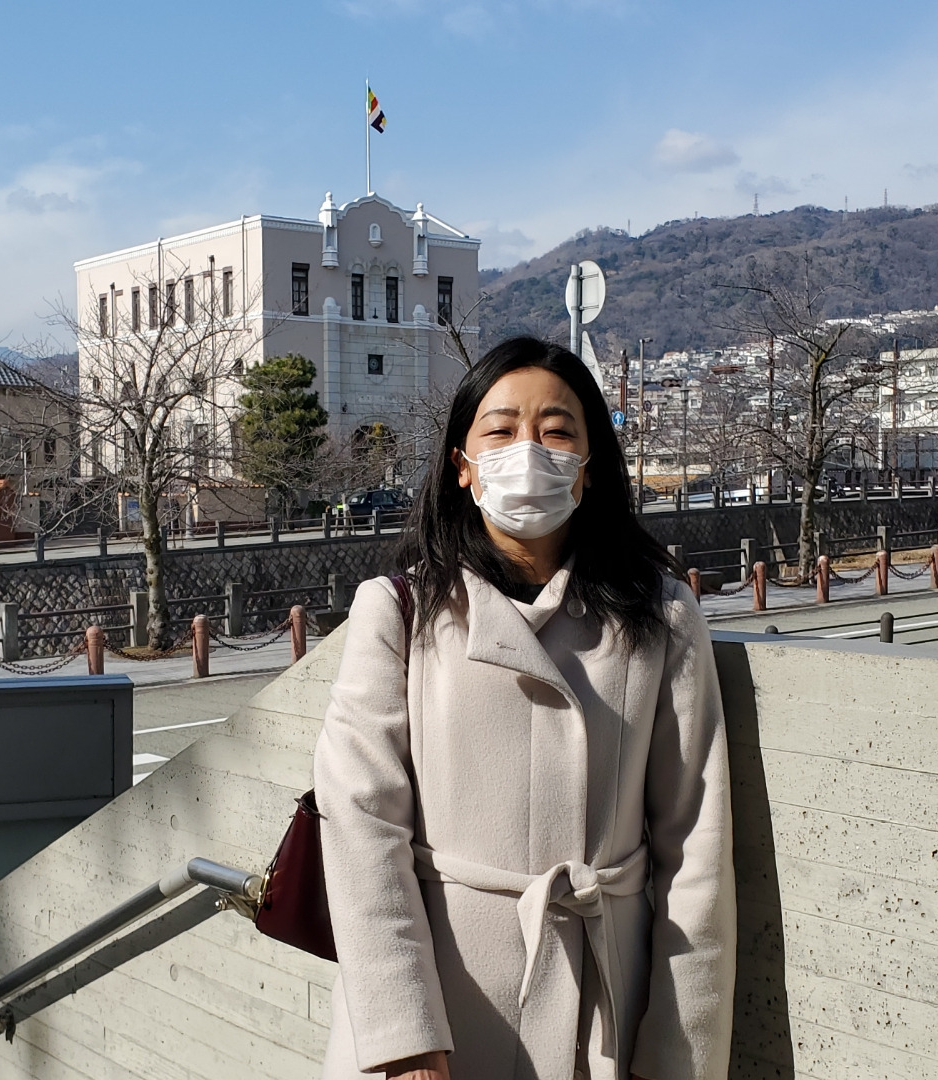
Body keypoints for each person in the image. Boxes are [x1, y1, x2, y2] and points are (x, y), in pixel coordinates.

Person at [313, 337, 735, 1080]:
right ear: (461, 465)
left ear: (590, 465)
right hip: (439, 1004)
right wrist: (404, 1034)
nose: (530, 451)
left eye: (557, 430)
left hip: (603, 1004)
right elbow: (359, 825)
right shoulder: (399, 612)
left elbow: (696, 849)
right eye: (501, 430)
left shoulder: (661, 619)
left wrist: (675, 1052)